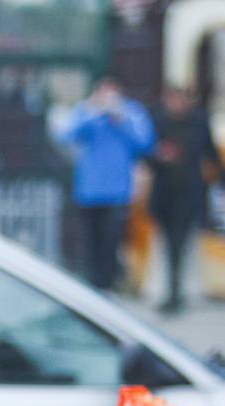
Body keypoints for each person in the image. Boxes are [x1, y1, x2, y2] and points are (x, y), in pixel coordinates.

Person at [55, 76, 156, 292]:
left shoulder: (131, 112)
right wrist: (93, 114)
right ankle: (92, 287)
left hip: (117, 192)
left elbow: (146, 144)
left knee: (111, 243)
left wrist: (121, 119)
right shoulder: (87, 111)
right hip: (88, 191)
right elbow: (65, 136)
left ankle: (108, 286)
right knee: (89, 244)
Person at [148, 83, 225, 315]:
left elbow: (212, 154)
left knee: (180, 244)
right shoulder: (159, 122)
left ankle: (176, 292)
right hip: (164, 194)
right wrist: (158, 156)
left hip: (188, 193)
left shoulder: (198, 123)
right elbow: (145, 153)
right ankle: (170, 291)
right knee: (169, 244)